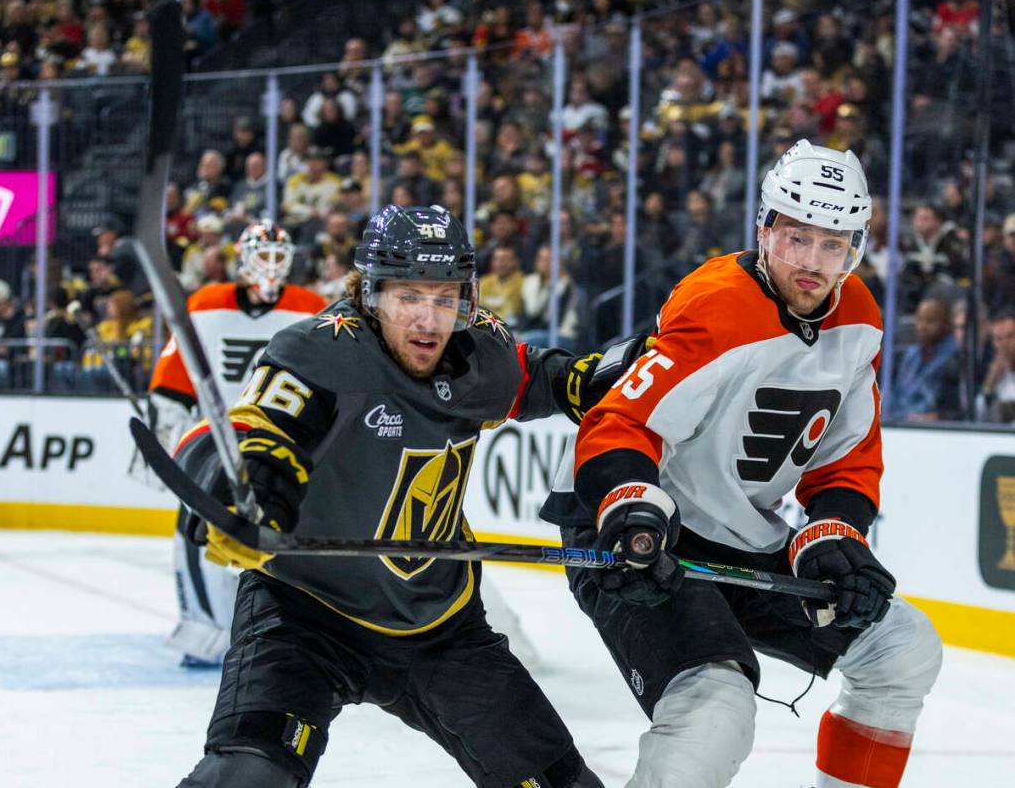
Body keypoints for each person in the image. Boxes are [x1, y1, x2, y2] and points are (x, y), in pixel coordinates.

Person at [541, 141, 943, 787]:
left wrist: (833, 532)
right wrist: (632, 504)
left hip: (736, 530)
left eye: (832, 244)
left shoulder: (860, 317)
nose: (812, 262)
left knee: (902, 648)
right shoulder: (716, 305)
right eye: (796, 238)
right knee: (715, 708)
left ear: (856, 248)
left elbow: (847, 458)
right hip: (633, 526)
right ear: (764, 228)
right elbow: (619, 424)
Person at [173, 205, 606, 788]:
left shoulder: (479, 350)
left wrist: (592, 381)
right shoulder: (321, 351)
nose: (430, 320)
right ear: (371, 293)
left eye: (446, 297)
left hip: (443, 629)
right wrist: (241, 487)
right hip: (305, 615)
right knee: (246, 776)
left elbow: (538, 376)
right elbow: (240, 433)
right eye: (409, 297)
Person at [148, 221, 328, 666]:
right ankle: (205, 627)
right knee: (198, 528)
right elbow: (173, 380)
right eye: (262, 256)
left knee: (285, 531)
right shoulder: (205, 305)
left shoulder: (313, 308)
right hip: (215, 443)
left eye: (277, 257)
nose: (270, 267)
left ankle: (287, 629)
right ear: (243, 259)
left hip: (284, 442)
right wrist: (166, 434)